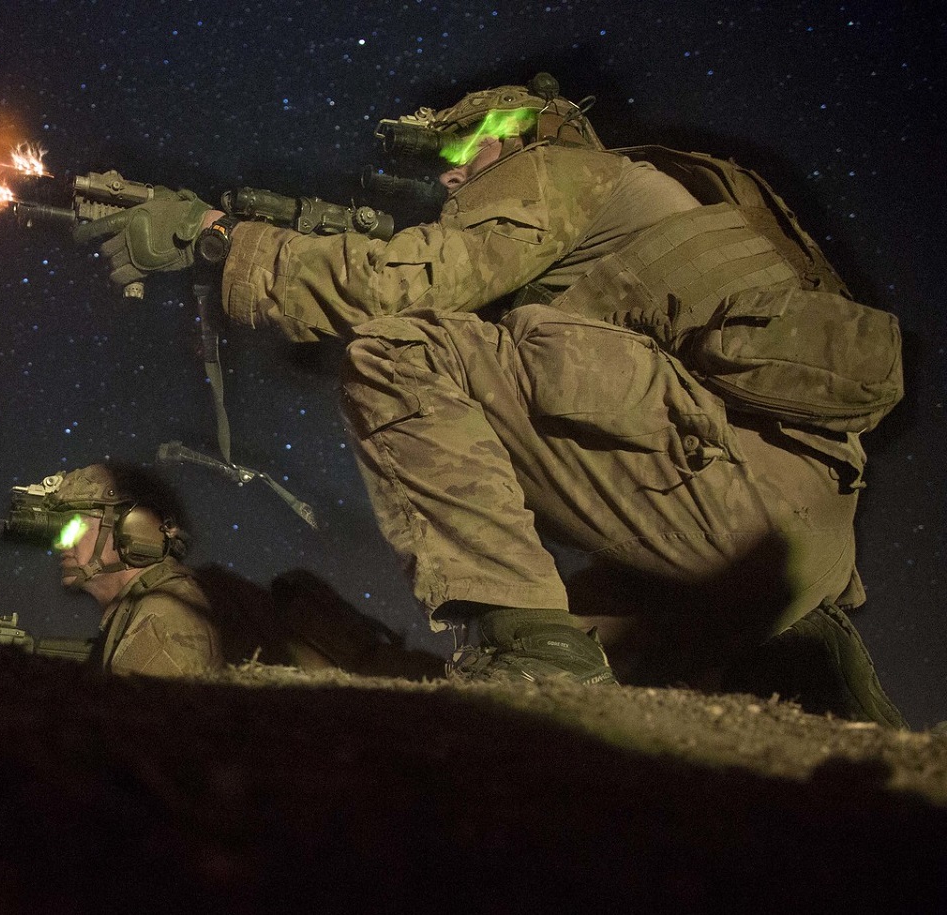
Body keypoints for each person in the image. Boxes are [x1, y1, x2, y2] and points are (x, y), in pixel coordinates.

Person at [74, 75, 906, 724]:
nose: (449, 173)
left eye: (465, 148)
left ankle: (532, 650)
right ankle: (808, 665)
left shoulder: (565, 171)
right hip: (788, 548)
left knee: (399, 350)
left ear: (525, 131)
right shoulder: (638, 210)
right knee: (612, 674)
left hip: (729, 504)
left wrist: (220, 241)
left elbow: (406, 282)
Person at [3, 463, 224, 677]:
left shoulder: (162, 619)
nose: (61, 544)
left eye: (73, 527)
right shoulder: (141, 606)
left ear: (133, 529)